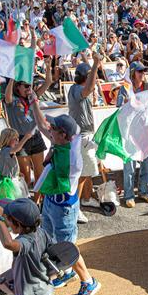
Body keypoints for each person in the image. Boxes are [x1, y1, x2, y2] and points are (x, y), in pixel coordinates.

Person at [30, 102, 100, 295]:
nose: (48, 130)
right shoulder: (62, 141)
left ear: (63, 135)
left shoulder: (72, 159)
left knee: (67, 247)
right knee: (51, 239)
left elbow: (61, 182)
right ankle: (67, 272)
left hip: (64, 207)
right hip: (52, 202)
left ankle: (89, 281)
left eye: (53, 130)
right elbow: (42, 125)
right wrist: (34, 101)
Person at [3, 32, 53, 197]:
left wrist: (48, 66)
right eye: (25, 86)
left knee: (40, 173)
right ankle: (27, 200)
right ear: (18, 88)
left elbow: (48, 83)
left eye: (29, 86)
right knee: (25, 176)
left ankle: (38, 202)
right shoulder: (12, 102)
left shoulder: (33, 97)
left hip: (36, 137)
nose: (28, 88)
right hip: (20, 140)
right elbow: (7, 96)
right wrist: (12, 78)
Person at [67, 53, 102, 216]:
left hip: (85, 134)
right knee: (82, 174)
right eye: (89, 76)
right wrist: (95, 64)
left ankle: (86, 198)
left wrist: (94, 63)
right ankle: (75, 207)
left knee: (87, 171)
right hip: (82, 136)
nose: (93, 78)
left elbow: (90, 86)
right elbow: (88, 88)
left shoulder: (77, 88)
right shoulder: (78, 89)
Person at [117, 62, 148, 207]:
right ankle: (129, 195)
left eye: (144, 71)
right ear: (133, 72)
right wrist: (127, 103)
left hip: (146, 131)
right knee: (129, 165)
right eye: (139, 71)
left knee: (147, 164)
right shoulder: (125, 88)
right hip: (129, 131)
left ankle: (144, 191)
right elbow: (118, 108)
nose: (142, 73)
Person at [0, 128, 31, 200]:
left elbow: (10, 165)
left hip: (13, 178)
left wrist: (17, 172)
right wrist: (25, 138)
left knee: (18, 198)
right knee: (12, 200)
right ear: (7, 139)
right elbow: (17, 148)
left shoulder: (8, 150)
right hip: (8, 183)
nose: (17, 141)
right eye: (15, 139)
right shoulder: (6, 150)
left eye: (18, 138)